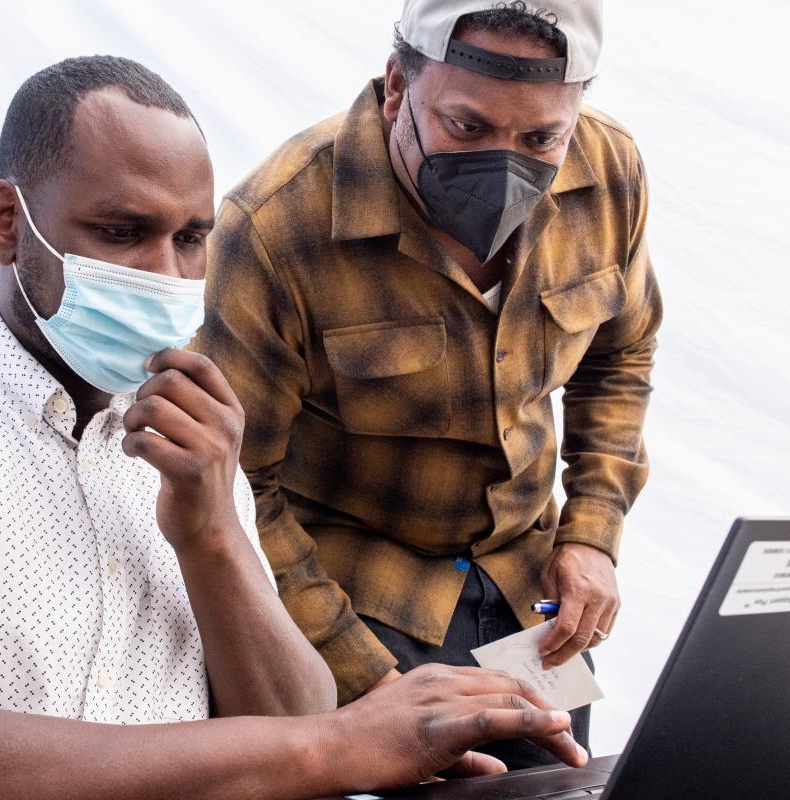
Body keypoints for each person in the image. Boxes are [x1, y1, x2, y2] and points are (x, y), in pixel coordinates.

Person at [0, 56, 586, 799]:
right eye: (122, 232)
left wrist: (212, 532)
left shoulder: (193, 442)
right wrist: (347, 739)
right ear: (4, 225)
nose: (166, 275)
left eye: (192, 239)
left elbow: (290, 732)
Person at [196, 0, 662, 768]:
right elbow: (236, 491)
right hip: (352, 602)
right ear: (394, 88)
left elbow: (623, 352)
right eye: (468, 128)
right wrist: (370, 687)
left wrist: (592, 534)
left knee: (564, 791)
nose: (504, 163)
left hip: (530, 599)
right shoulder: (277, 227)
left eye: (541, 137)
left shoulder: (608, 171)